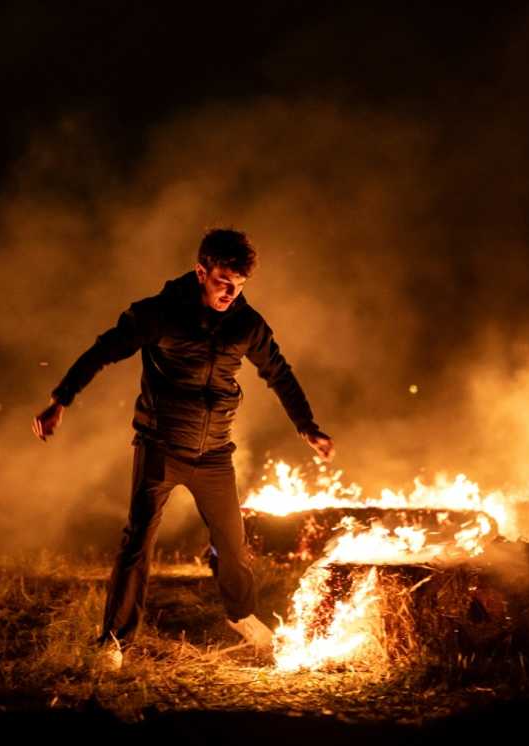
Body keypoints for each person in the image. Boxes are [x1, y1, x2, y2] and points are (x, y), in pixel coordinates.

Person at [33, 228, 334, 671]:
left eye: (239, 287)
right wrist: (61, 399)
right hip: (161, 447)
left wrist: (306, 426)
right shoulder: (160, 314)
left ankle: (242, 615)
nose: (230, 294)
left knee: (233, 545)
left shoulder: (246, 323)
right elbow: (103, 350)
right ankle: (113, 642)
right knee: (137, 543)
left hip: (214, 454)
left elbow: (279, 373)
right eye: (222, 283)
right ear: (201, 272)